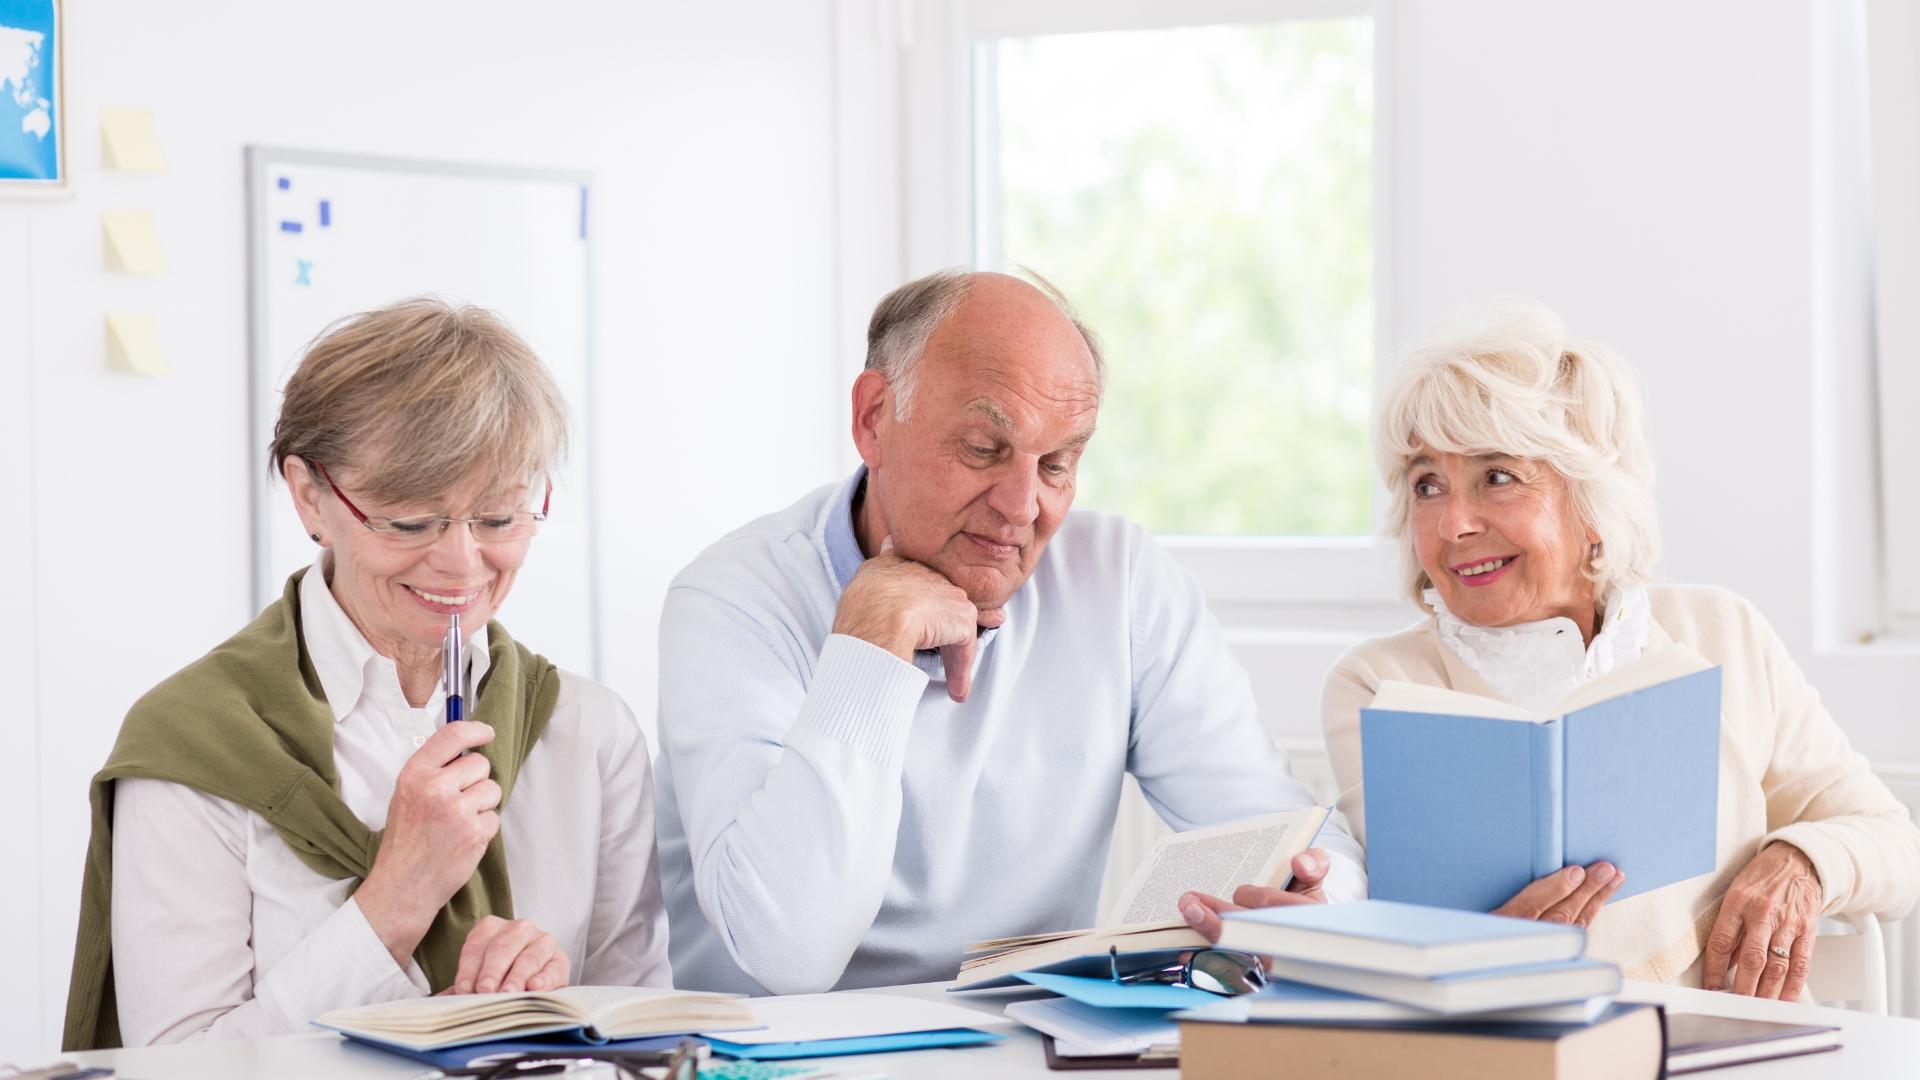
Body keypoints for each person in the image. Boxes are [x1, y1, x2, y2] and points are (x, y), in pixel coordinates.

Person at [652, 269, 1364, 996]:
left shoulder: (1118, 580)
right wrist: (870, 649)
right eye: (984, 450)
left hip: (1033, 1047)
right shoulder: (732, 599)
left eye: (1057, 464)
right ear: (873, 418)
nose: (1023, 506)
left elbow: (1293, 832)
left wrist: (1317, 898)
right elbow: (788, 954)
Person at [64, 300, 670, 1049]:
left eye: (501, 517)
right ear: (310, 495)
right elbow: (175, 1070)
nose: (461, 564)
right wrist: (395, 901)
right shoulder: (193, 742)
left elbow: (644, 1036)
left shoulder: (589, 731)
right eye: (411, 522)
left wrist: (553, 1014)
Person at [1311, 299, 1920, 998]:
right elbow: (1401, 935)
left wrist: (1801, 861)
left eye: (1497, 477)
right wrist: (1477, 949)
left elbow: (1892, 842)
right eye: (1427, 485)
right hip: (1507, 1050)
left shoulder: (1723, 631)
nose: (1453, 523)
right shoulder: (1377, 682)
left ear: (1591, 500)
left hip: (1739, 1051)